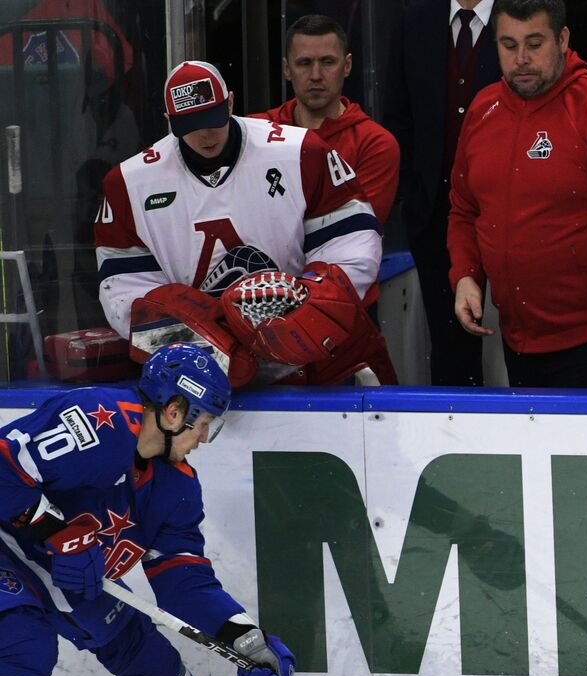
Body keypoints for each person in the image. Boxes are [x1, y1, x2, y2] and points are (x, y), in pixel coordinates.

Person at [0, 344, 297, 676]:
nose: (204, 438)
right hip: (8, 549)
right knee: (23, 647)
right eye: (202, 422)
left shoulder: (176, 486)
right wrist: (57, 534)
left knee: (145, 655)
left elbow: (182, 577)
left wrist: (244, 636)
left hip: (75, 577)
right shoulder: (95, 421)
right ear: (175, 410)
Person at [95, 60, 394, 388]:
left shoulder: (300, 151)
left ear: (231, 103)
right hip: (211, 377)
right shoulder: (129, 184)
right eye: (191, 126)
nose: (206, 134)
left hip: (316, 356)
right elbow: (123, 288)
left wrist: (314, 299)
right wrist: (197, 344)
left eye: (213, 120)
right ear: (169, 122)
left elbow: (352, 237)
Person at [447, 0, 587, 389]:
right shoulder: (483, 109)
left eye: (535, 43)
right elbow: (464, 209)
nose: (522, 59)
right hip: (515, 338)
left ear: (562, 39)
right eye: (509, 46)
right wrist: (465, 275)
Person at [383, 0, 503, 387]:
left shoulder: (521, 14)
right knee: (450, 343)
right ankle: (458, 439)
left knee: (521, 344)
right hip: (434, 212)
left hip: (511, 211)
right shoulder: (415, 21)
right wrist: (412, 193)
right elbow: (398, 117)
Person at [254, 14, 400, 228]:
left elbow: (355, 231)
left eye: (327, 62)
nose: (316, 75)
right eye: (304, 63)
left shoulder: (375, 144)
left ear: (347, 65)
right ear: (287, 69)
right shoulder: (259, 132)